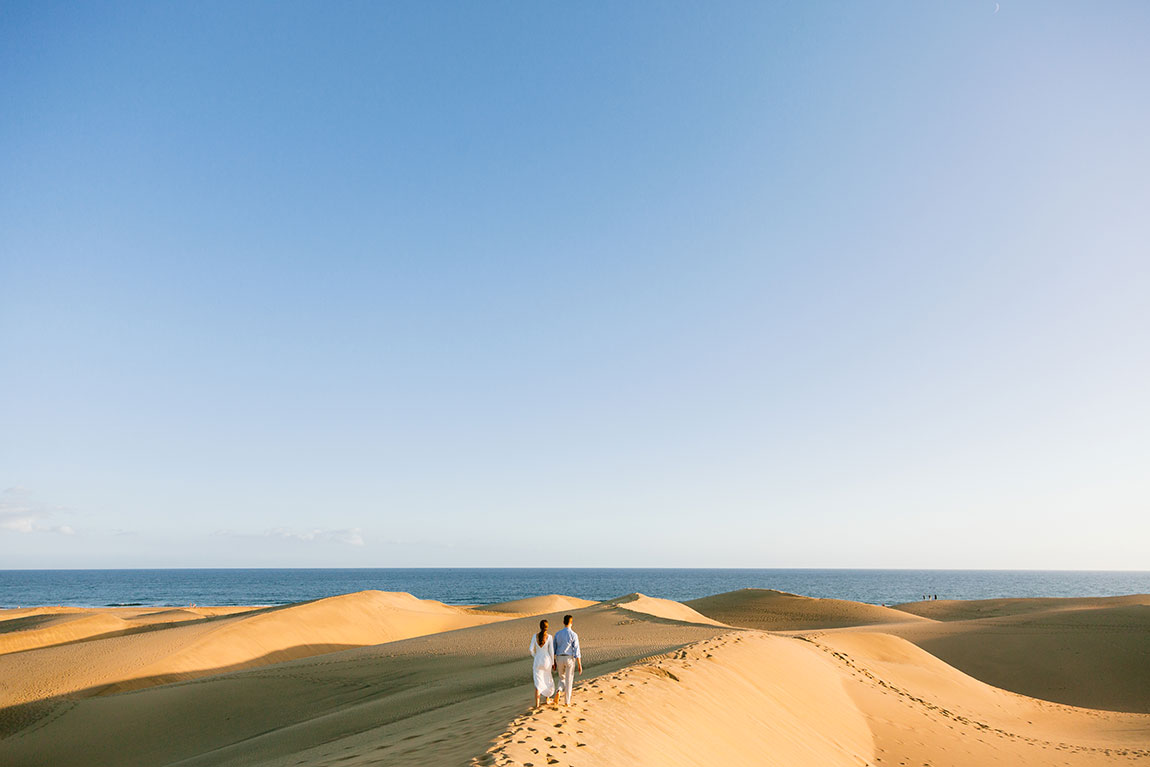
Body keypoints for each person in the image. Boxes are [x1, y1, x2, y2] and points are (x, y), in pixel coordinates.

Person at [552, 614, 582, 706]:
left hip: (559, 658)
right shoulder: (573, 634)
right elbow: (577, 650)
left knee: (562, 678)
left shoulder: (557, 634)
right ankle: (567, 702)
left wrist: (554, 662)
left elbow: (553, 649)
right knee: (569, 681)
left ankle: (558, 690)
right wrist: (579, 664)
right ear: (571, 623)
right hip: (569, 658)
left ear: (563, 622)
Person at [529, 618, 556, 708]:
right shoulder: (549, 637)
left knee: (538, 682)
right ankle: (547, 699)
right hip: (546, 661)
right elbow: (551, 652)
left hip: (538, 660)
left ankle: (537, 704)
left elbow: (530, 649)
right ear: (547, 627)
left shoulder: (535, 636)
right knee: (547, 679)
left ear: (540, 627)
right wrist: (552, 663)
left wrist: (535, 655)